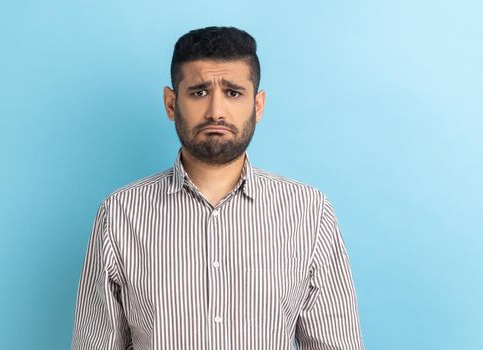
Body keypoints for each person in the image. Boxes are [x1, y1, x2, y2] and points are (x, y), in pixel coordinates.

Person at [71, 26, 364, 350]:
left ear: (258, 104)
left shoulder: (309, 212)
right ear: (171, 103)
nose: (216, 111)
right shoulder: (120, 214)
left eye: (233, 92)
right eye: (198, 92)